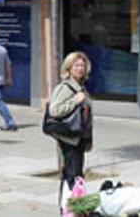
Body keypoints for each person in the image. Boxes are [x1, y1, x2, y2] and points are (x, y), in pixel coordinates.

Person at [50, 51, 93, 208]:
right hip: (69, 139)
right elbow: (54, 110)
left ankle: (72, 208)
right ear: (68, 68)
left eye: (83, 65)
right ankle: (67, 209)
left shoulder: (80, 87)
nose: (80, 68)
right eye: (76, 65)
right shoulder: (65, 88)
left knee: (75, 176)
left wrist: (88, 140)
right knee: (71, 176)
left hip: (78, 139)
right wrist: (74, 101)